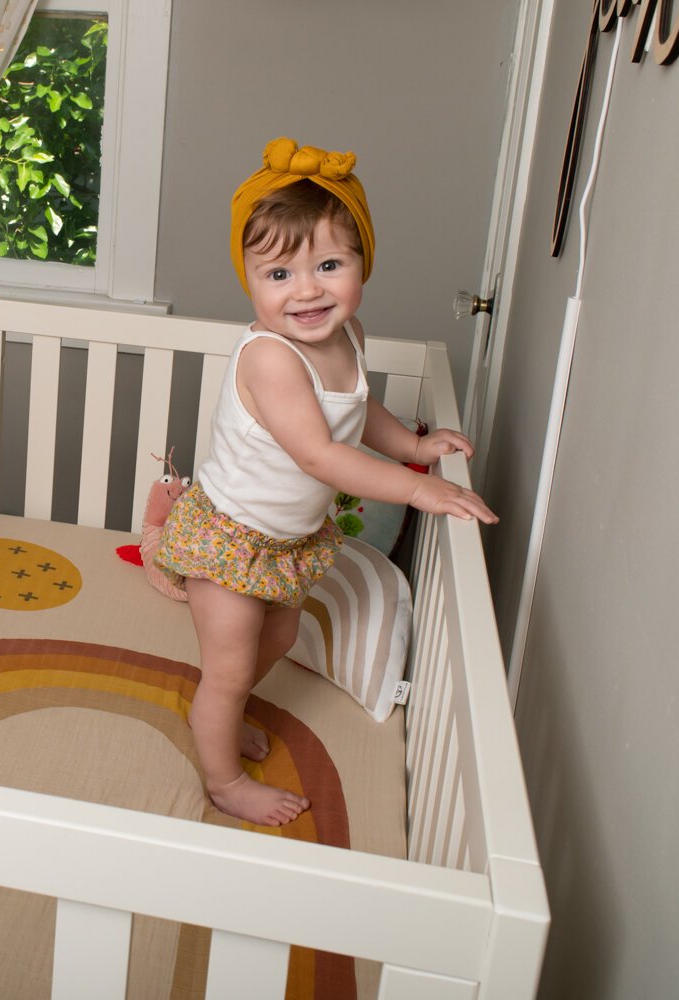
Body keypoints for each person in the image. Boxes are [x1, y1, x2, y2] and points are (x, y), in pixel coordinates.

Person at [154, 137, 498, 827]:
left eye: (330, 265)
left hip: (286, 540)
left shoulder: (349, 336)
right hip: (231, 538)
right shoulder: (270, 360)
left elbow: (357, 412)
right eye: (278, 274)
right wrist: (416, 487)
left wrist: (413, 445)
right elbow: (318, 454)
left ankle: (218, 717)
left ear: (361, 263)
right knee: (228, 665)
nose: (307, 290)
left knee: (276, 642)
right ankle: (222, 777)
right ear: (249, 280)